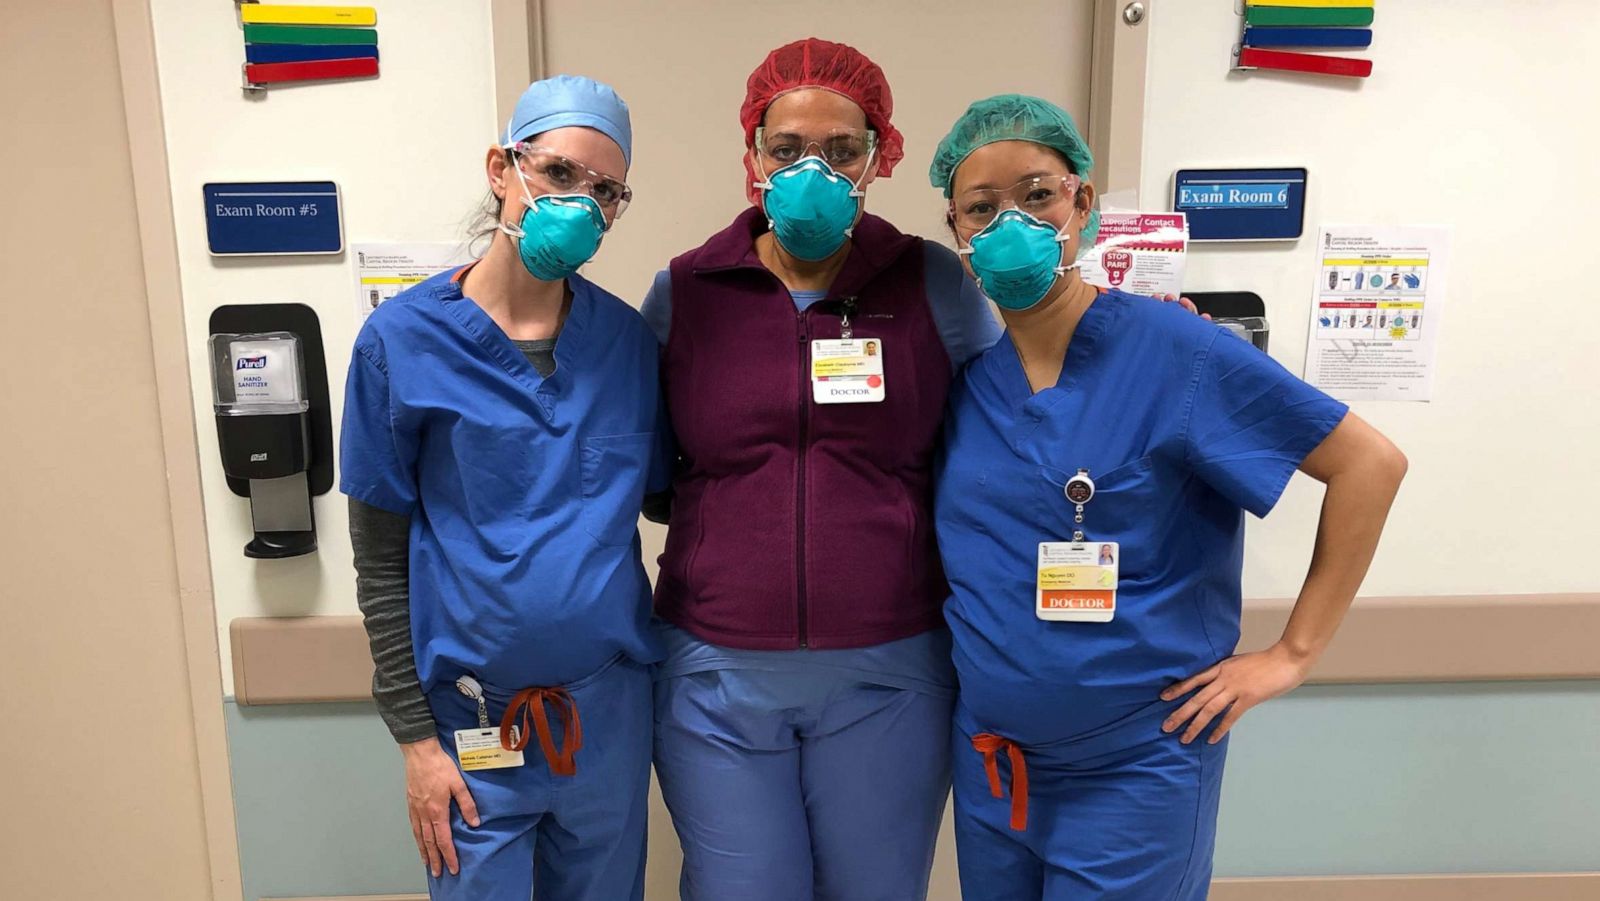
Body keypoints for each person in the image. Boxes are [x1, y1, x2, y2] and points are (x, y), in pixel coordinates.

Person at [927, 94, 1408, 900]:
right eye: (982, 208)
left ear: (1081, 202)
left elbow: (1371, 464)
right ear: (959, 236)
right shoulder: (971, 383)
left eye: (1037, 193)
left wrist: (1291, 656)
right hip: (995, 766)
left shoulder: (1178, 350)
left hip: (1136, 770)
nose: (1009, 221)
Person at [639, 38, 1004, 901]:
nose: (815, 169)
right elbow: (643, 465)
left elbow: (1021, 415)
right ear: (751, 159)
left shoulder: (933, 282)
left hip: (892, 668)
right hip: (715, 670)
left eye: (842, 151)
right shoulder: (685, 291)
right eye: (788, 148)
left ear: (881, 156)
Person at [339, 75, 667, 901]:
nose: (580, 204)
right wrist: (415, 742)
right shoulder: (401, 344)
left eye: (605, 191)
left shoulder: (626, 343)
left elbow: (674, 499)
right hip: (471, 727)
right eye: (558, 174)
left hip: (608, 719)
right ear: (502, 167)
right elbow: (380, 565)